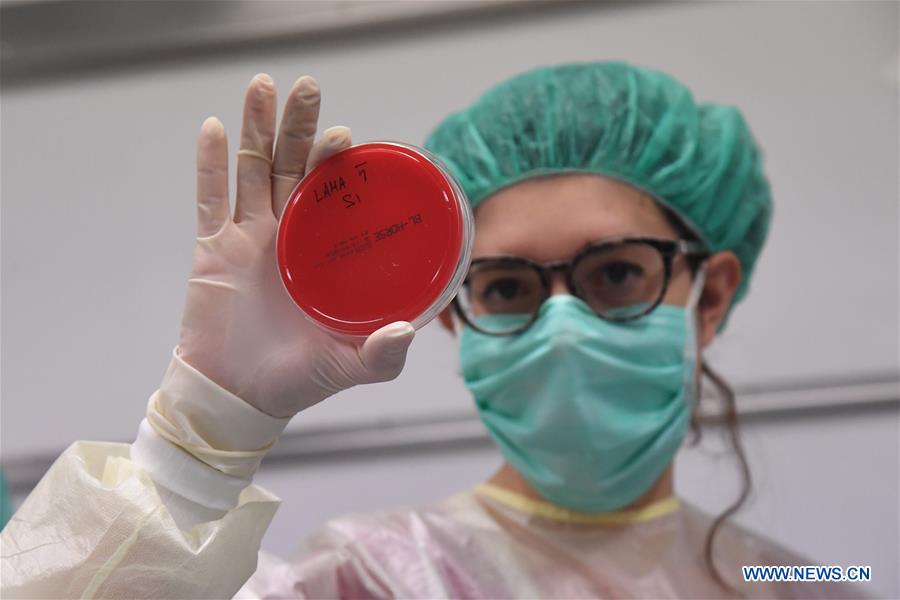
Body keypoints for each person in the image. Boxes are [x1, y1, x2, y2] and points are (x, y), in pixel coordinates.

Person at [0, 62, 869, 599]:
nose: (561, 324)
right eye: (510, 286)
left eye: (615, 274)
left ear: (707, 296)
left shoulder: (798, 583)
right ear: (454, 311)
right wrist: (196, 443)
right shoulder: (371, 580)